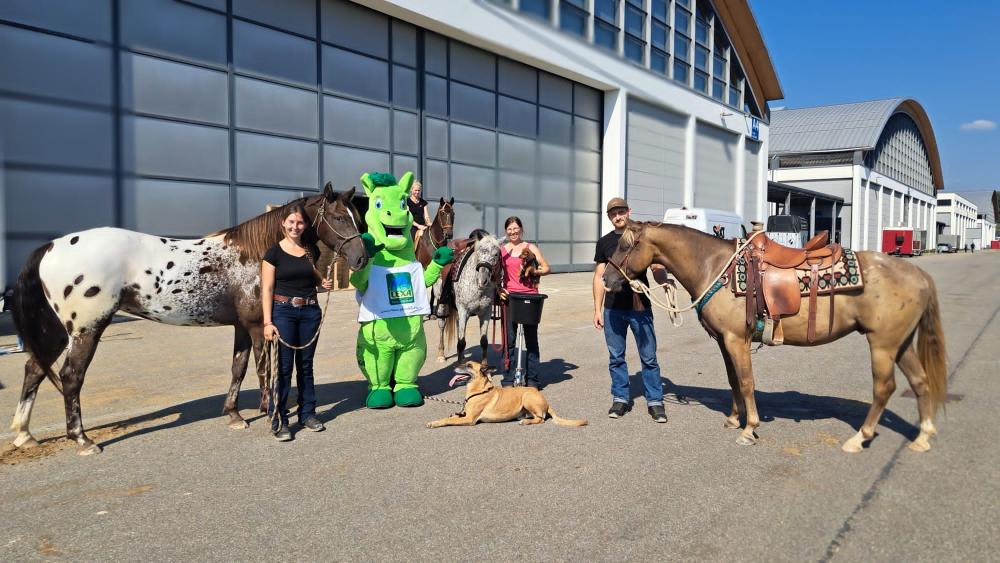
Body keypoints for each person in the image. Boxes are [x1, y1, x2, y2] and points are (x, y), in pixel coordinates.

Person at [261, 204, 333, 441]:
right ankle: (279, 418)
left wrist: (323, 283)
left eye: (300, 222)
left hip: (310, 311)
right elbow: (267, 289)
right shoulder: (273, 253)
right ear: (283, 223)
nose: (295, 226)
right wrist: (267, 322)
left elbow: (311, 276)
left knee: (306, 366)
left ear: (305, 225)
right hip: (283, 312)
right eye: (291, 222)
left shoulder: (311, 250)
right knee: (283, 369)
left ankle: (307, 413)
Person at [592, 197, 667, 423]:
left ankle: (655, 401)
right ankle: (620, 398)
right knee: (616, 357)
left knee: (649, 357)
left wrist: (664, 281)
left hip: (639, 307)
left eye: (621, 212)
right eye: (613, 213)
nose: (618, 216)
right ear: (609, 217)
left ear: (628, 211)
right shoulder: (604, 242)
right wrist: (597, 309)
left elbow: (656, 266)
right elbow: (599, 276)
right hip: (613, 309)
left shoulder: (641, 238)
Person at [499, 216, 550, 388]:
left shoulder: (530, 247)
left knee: (531, 340)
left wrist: (535, 271)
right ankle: (508, 379)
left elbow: (547, 267)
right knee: (509, 341)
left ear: (521, 229)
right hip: (510, 297)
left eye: (515, 228)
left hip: (530, 297)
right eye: (509, 229)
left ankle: (532, 379)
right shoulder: (502, 250)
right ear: (506, 231)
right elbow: (495, 275)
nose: (513, 232)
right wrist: (498, 290)